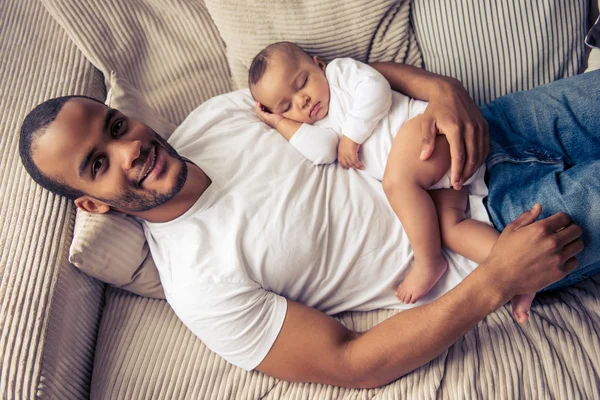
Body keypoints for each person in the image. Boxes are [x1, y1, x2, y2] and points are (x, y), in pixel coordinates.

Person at [18, 61, 594, 389]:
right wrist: (496, 279)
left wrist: (441, 91)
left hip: (484, 130)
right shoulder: (199, 286)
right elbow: (351, 363)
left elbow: (342, 79)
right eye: (97, 164)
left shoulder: (217, 117)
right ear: (91, 204)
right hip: (497, 235)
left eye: (116, 127)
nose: (129, 152)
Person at [247, 42, 534, 321]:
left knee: (396, 185)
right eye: (288, 105)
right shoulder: (320, 125)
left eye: (302, 83)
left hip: (428, 133)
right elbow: (321, 152)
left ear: (318, 64)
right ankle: (519, 272)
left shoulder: (339, 75)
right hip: (431, 179)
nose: (303, 100)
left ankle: (428, 262)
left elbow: (377, 89)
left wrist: (353, 137)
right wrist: (280, 123)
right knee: (449, 228)